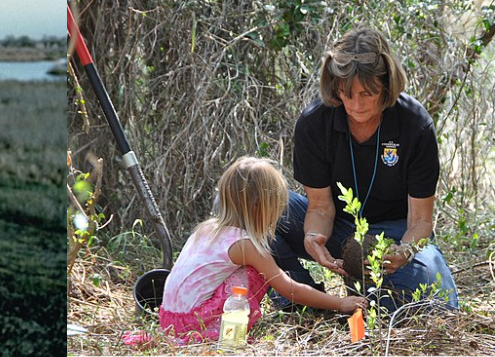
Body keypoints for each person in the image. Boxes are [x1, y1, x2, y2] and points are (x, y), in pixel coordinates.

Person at [272, 27, 459, 314]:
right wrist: (313, 238)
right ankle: (305, 303)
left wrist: (405, 252)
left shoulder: (414, 124)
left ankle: (372, 297)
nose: (355, 105)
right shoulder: (314, 123)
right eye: (346, 94)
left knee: (440, 307)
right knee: (255, 203)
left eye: (366, 94)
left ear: (386, 86)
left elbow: (421, 220)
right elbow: (321, 208)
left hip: (394, 237)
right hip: (340, 229)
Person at [160, 157, 367, 343]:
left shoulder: (206, 228)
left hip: (170, 320)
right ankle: (226, 332)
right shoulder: (246, 246)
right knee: (252, 273)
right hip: (197, 326)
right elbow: (290, 289)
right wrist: (339, 303)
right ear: (261, 206)